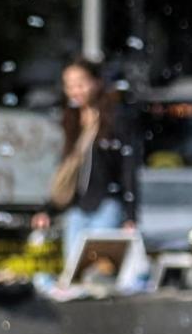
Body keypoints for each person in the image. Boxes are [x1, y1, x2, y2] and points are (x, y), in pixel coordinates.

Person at [41, 59, 143, 269]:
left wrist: (131, 214)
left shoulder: (115, 119)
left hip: (106, 203)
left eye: (80, 83)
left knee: (100, 268)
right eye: (69, 85)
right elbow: (67, 171)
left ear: (96, 82)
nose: (75, 90)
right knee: (74, 269)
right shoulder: (71, 120)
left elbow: (128, 167)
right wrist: (48, 209)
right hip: (77, 207)